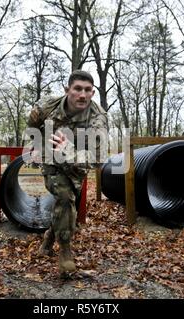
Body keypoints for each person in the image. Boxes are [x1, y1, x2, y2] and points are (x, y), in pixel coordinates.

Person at [26, 70, 108, 277]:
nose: (83, 95)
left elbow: (97, 159)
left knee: (68, 203)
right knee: (64, 197)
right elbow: (32, 127)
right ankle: (65, 251)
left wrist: (67, 149)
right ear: (67, 90)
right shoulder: (46, 106)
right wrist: (34, 146)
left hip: (76, 164)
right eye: (78, 89)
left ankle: (48, 238)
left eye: (88, 90)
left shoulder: (98, 118)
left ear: (92, 93)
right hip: (51, 159)